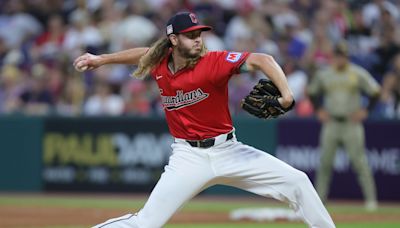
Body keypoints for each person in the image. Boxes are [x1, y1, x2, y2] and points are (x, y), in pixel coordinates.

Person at [74, 12, 335, 228]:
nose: (197, 40)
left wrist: (287, 96)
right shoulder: (160, 63)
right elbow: (145, 53)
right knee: (147, 223)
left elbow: (263, 60)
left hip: (230, 151)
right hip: (188, 157)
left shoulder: (214, 62)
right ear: (173, 40)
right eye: (190, 36)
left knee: (297, 181)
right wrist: (101, 59)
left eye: (199, 34)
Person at [307, 41, 380, 211]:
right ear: (334, 56)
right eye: (338, 55)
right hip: (331, 122)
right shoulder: (325, 74)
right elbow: (312, 92)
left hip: (351, 123)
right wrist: (318, 110)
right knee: (325, 163)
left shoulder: (357, 73)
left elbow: (375, 92)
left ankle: (371, 201)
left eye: (343, 55)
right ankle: (320, 201)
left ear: (347, 57)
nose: (341, 59)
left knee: (359, 162)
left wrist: (366, 110)